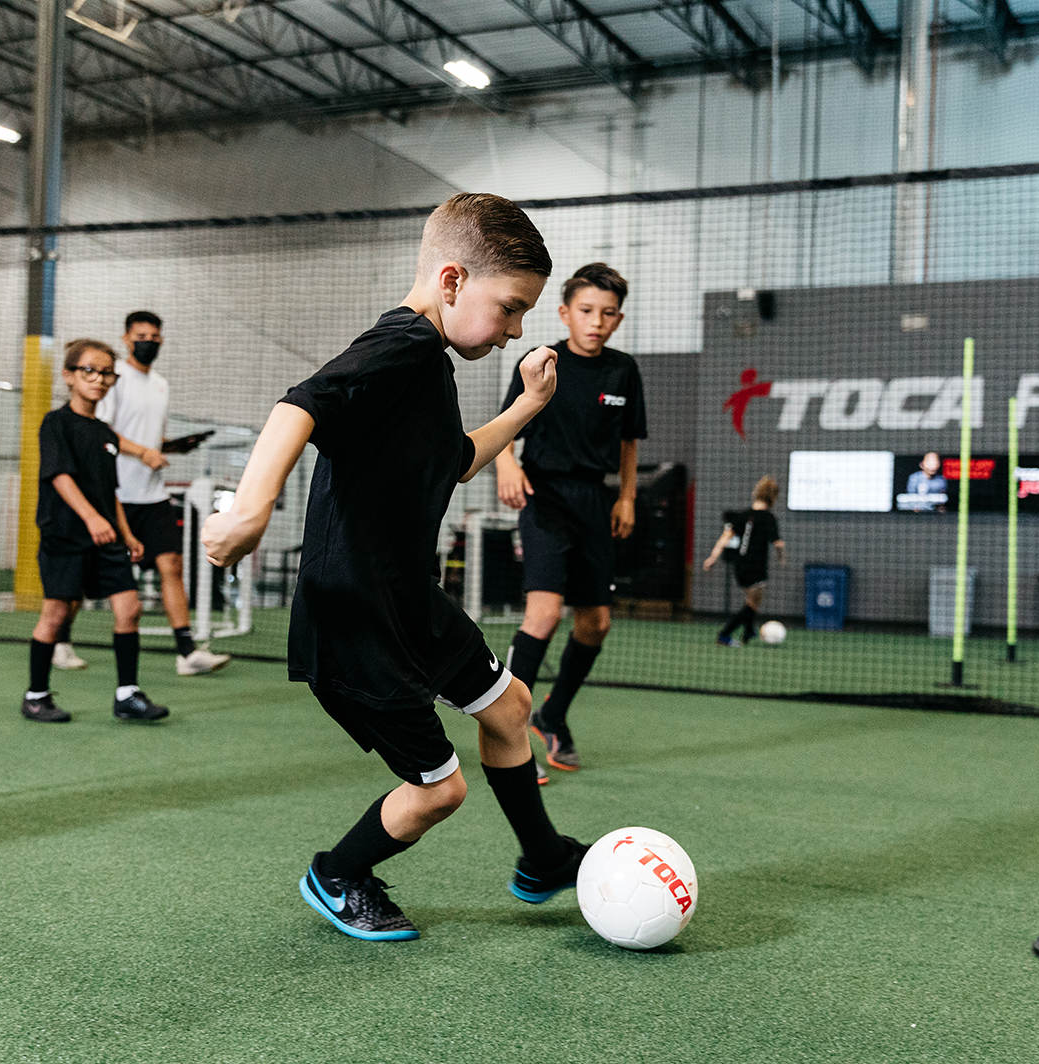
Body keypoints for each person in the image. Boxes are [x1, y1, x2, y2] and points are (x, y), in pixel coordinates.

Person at [201, 193, 588, 942]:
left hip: (408, 598)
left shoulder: (428, 367)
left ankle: (541, 859)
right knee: (439, 792)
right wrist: (251, 508)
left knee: (510, 712)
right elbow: (299, 405)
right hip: (353, 616)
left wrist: (529, 406)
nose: (514, 332)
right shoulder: (403, 347)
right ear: (451, 281)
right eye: (509, 309)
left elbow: (456, 462)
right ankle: (339, 873)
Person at [494, 262, 645, 777]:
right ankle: (506, 730)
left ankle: (552, 714)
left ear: (618, 320)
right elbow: (505, 425)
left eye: (607, 313)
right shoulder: (539, 360)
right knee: (543, 614)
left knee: (596, 622)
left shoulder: (624, 370)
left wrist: (626, 498)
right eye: (586, 311)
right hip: (543, 497)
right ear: (564, 313)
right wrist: (507, 464)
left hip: (594, 502)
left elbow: (629, 442)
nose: (596, 321)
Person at [21, 339, 168, 724]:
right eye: (89, 370)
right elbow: (59, 476)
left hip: (106, 537)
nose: (99, 379)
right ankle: (36, 696)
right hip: (65, 535)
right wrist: (90, 518)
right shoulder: (55, 423)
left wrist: (127, 534)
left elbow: (110, 491)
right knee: (55, 615)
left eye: (107, 373)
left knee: (130, 608)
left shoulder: (105, 433)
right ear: (69, 376)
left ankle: (127, 695)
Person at [98, 310, 230, 676]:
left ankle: (187, 652)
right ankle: (59, 639)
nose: (148, 342)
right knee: (93, 574)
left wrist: (173, 447)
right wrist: (143, 452)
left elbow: (151, 438)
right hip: (117, 494)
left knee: (171, 564)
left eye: (155, 337)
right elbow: (104, 433)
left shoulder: (161, 384)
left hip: (153, 495)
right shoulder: (113, 379)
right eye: (141, 335)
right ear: (126, 339)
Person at [703, 476, 786, 646]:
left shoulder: (742, 515)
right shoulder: (768, 518)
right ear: (773, 498)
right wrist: (782, 557)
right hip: (756, 566)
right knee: (754, 603)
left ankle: (749, 632)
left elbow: (725, 537)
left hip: (740, 566)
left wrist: (712, 558)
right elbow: (777, 543)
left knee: (750, 601)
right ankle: (725, 634)